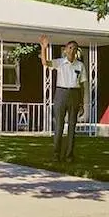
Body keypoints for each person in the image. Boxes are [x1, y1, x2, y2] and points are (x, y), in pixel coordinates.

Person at [39, 34, 88, 162]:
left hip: (75, 94)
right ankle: (56, 153)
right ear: (65, 50)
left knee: (72, 126)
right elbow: (45, 63)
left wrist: (82, 103)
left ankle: (69, 155)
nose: (72, 50)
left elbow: (82, 85)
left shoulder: (80, 66)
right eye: (70, 47)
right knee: (59, 125)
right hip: (61, 94)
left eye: (75, 48)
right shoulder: (60, 63)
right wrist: (44, 48)